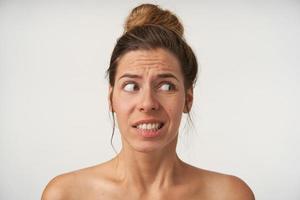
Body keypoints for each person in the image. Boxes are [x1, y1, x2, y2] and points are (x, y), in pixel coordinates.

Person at [42, 4, 255, 200]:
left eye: (166, 86)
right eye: (131, 86)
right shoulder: (65, 194)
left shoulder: (230, 195)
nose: (147, 103)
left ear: (188, 99)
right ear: (111, 99)